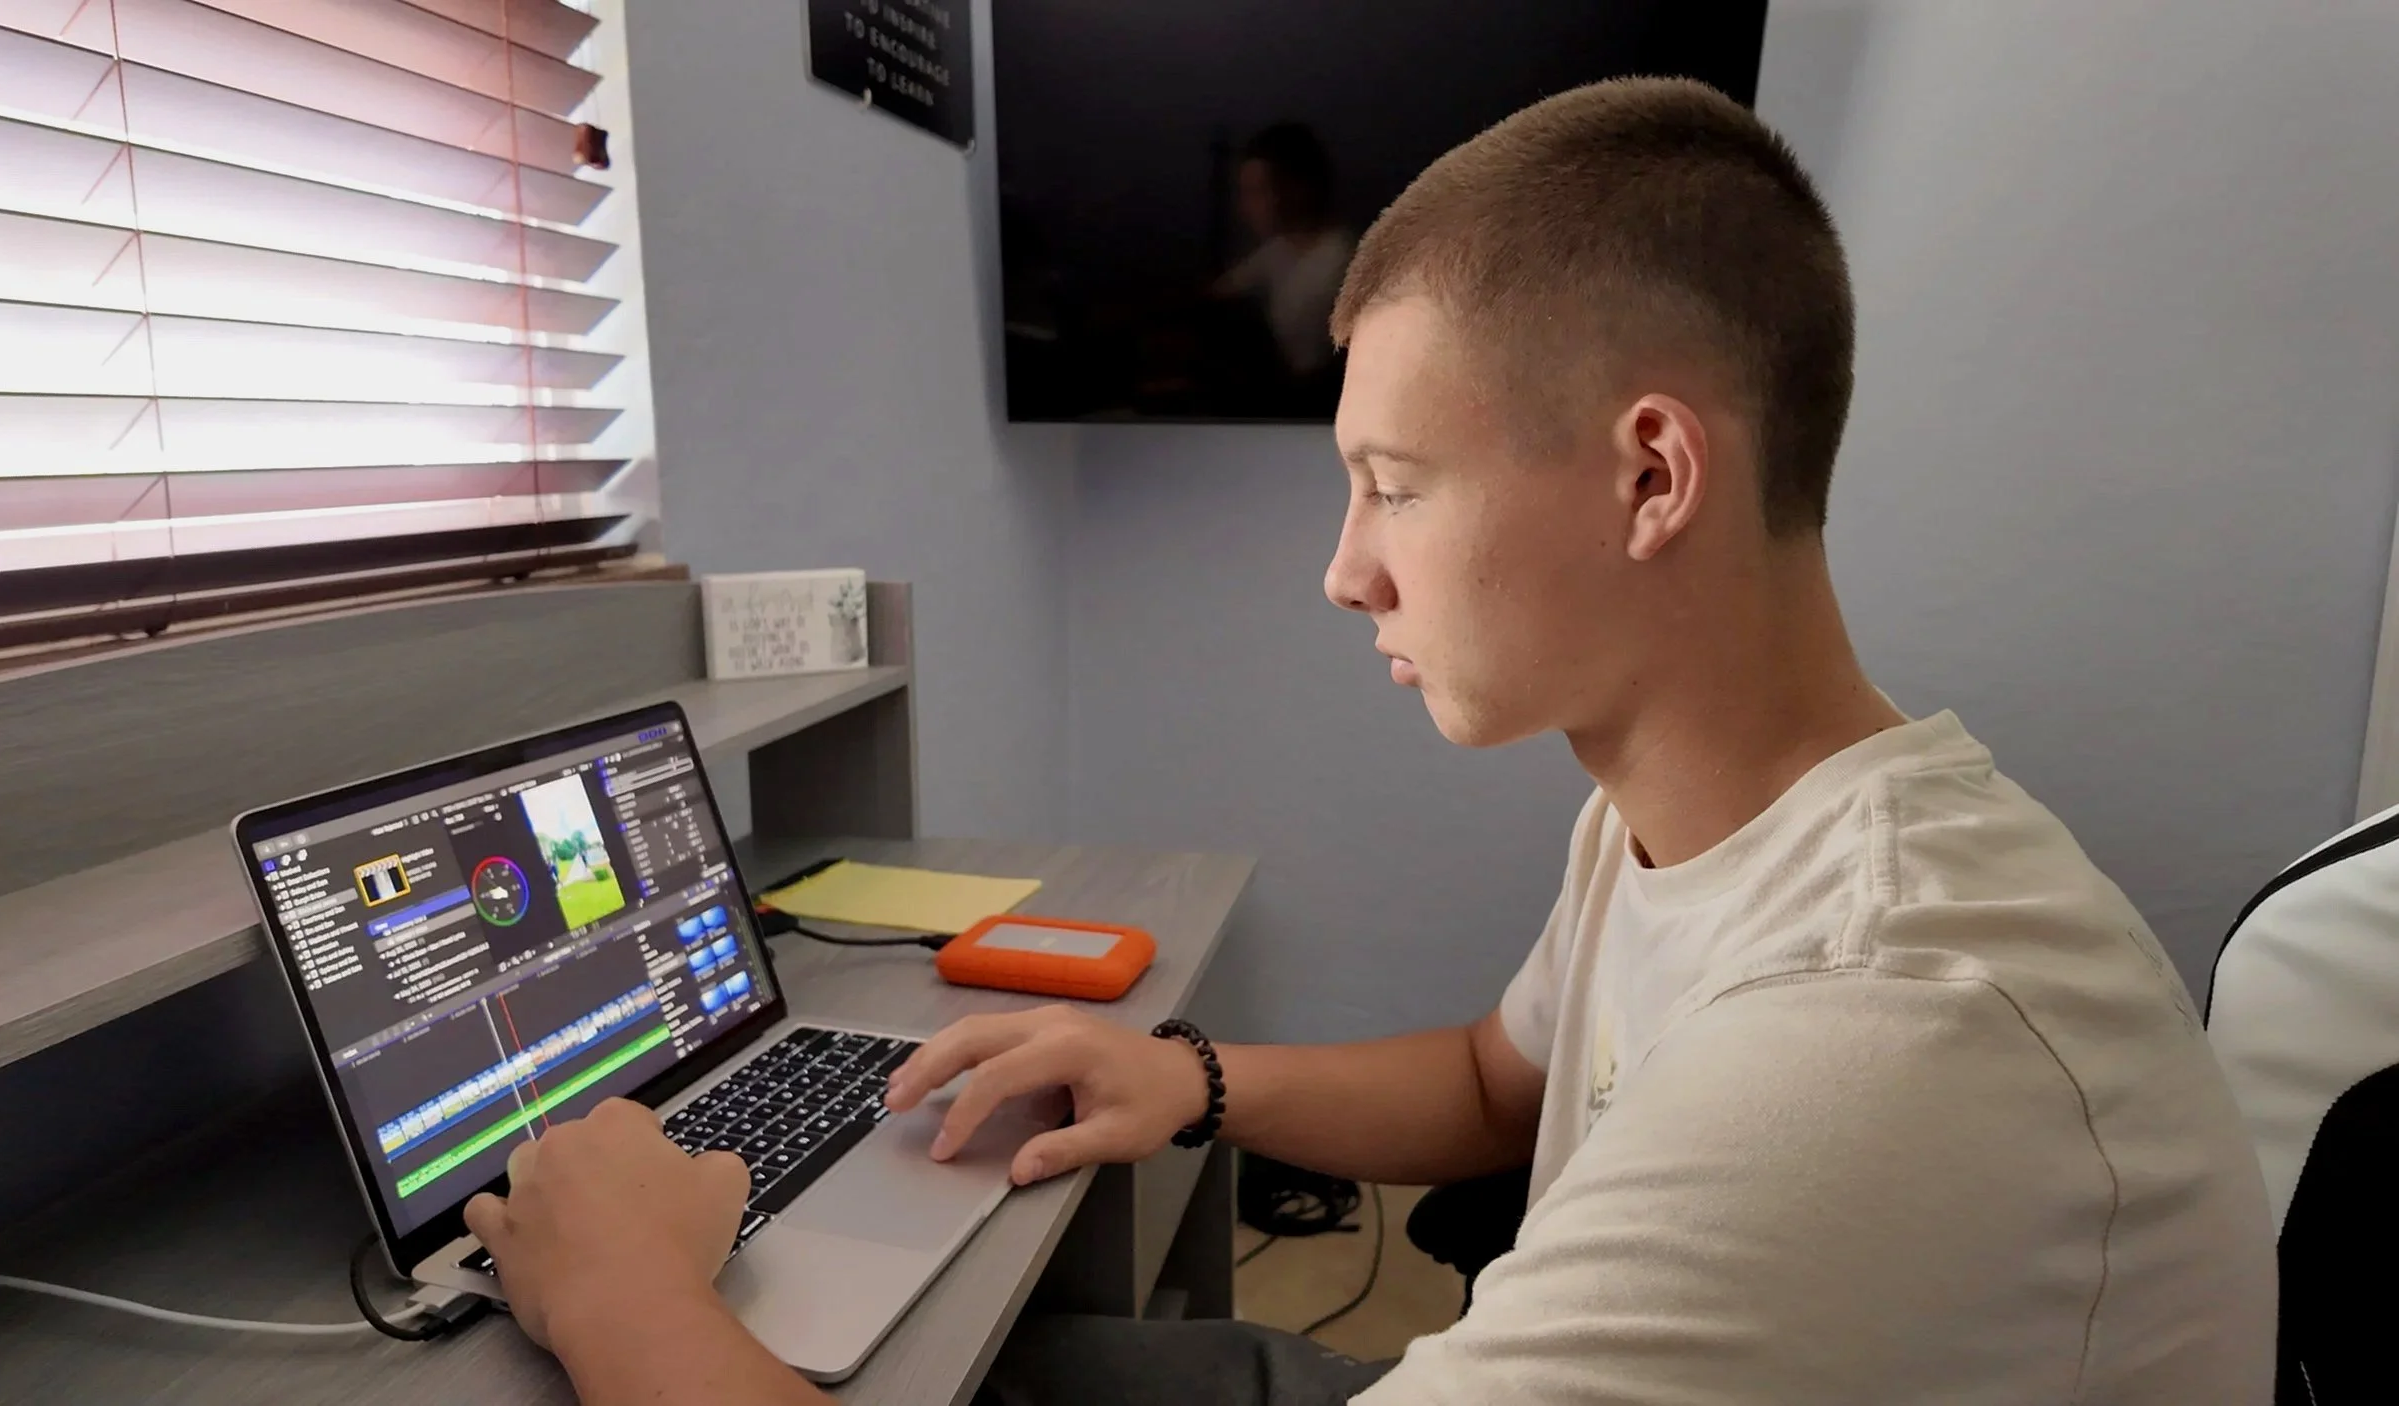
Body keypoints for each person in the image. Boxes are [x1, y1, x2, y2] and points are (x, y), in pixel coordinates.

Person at [462, 78, 2276, 1405]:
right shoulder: (1693, 810)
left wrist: (624, 1293)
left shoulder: (1886, 1035)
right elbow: (1503, 1079)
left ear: (1653, 475)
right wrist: (1191, 1079)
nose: (1346, 575)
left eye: (1393, 487)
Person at [1212, 122, 1357, 393]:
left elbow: (1309, 377)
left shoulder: (1339, 264)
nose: (1245, 207)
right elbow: (1217, 293)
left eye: (1256, 192)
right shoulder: (1280, 249)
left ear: (1296, 189)